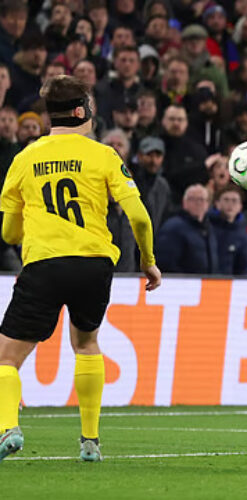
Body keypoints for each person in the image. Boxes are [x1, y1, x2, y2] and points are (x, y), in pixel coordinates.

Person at [0, 75, 161, 463]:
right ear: (81, 111)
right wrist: (148, 261)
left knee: (6, 358)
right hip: (94, 265)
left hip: (45, 263)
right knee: (86, 344)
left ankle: (8, 427)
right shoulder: (103, 155)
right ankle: (90, 441)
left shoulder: (25, 158)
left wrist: (27, 229)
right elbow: (139, 216)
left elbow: (7, 231)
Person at [155, 184, 219, 274]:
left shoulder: (209, 228)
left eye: (201, 199)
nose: (198, 203)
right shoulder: (173, 228)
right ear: (184, 203)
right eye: (192, 199)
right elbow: (165, 262)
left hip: (206, 284)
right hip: (184, 284)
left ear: (207, 204)